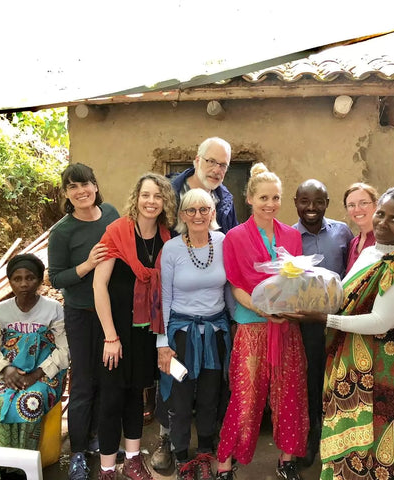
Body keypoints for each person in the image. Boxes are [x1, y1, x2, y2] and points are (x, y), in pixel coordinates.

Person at [286, 186, 394, 480]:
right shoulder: (370, 253)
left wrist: (325, 319)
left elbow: (380, 322)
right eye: (381, 214)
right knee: (348, 444)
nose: (382, 223)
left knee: (373, 445)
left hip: (380, 371)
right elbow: (345, 293)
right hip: (352, 365)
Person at [216, 163, 309, 480]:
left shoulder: (292, 237)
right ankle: (226, 462)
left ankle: (287, 459)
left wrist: (288, 307)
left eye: (276, 198)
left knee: (290, 393)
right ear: (250, 199)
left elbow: (294, 282)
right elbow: (236, 285)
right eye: (264, 197)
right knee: (246, 396)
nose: (270, 204)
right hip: (252, 326)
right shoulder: (235, 238)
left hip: (286, 327)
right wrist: (262, 309)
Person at [151, 136, 239, 472]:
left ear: (215, 211)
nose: (198, 214)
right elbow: (164, 299)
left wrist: (240, 323)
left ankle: (205, 451)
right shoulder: (172, 248)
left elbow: (231, 288)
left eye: (205, 209)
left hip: (215, 331)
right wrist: (162, 343)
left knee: (210, 395)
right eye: (192, 209)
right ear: (181, 213)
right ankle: (180, 454)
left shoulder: (223, 240)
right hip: (181, 333)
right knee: (178, 394)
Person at [92, 173, 176, 480]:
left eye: (158, 196)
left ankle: (133, 460)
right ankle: (106, 468)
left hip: (145, 331)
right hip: (115, 330)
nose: (151, 201)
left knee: (136, 397)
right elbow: (99, 285)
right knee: (112, 398)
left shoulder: (167, 238)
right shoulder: (117, 232)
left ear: (165, 202)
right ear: (136, 198)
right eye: (146, 195)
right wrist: (110, 336)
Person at [48, 163, 120, 480]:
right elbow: (56, 277)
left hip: (112, 313)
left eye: (86, 184)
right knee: (83, 385)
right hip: (79, 315)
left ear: (95, 185)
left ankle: (99, 441)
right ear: (66, 193)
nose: (81, 191)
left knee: (109, 382)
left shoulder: (110, 214)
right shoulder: (62, 231)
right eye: (73, 187)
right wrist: (87, 264)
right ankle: (77, 452)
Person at [0, 254, 69, 458]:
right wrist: (6, 369)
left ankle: (22, 467)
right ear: (10, 281)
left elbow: (64, 350)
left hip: (47, 375)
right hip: (10, 374)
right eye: (17, 279)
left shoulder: (53, 309)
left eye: (30, 278)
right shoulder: (1, 312)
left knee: (31, 401)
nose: (23, 284)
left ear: (39, 280)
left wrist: (37, 374)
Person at [292, 179, 353, 467]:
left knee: (342, 380)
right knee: (312, 381)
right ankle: (312, 438)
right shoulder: (290, 237)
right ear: (296, 203)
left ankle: (340, 440)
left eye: (318, 201)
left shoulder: (343, 232)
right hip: (307, 325)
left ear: (327, 203)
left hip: (342, 321)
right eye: (305, 201)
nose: (311, 208)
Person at [344, 182, 394, 271]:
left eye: (363, 203)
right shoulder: (353, 243)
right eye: (351, 205)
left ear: (376, 205)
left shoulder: (393, 240)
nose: (357, 209)